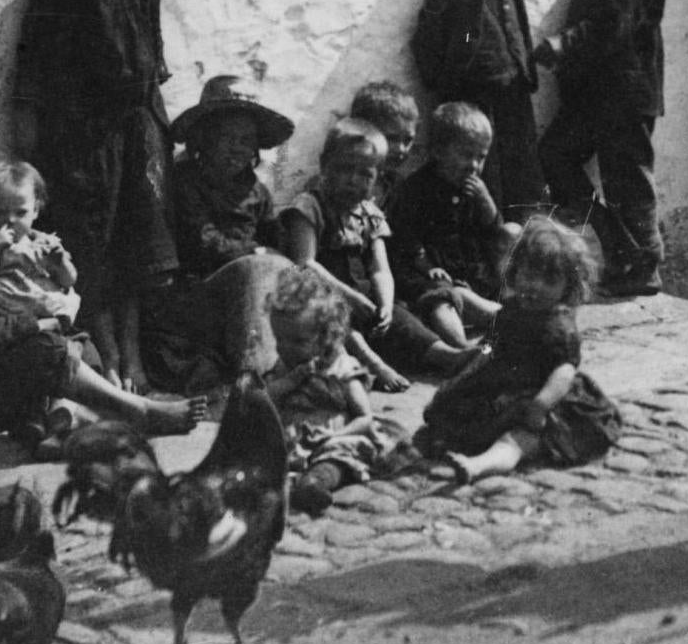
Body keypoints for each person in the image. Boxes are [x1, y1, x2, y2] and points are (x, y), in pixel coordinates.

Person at [0, 147, 200, 445]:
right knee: (43, 349)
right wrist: (33, 324)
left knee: (62, 353)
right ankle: (137, 412)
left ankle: (63, 430)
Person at [12, 0, 178, 391]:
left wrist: (157, 123)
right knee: (91, 245)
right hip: (80, 130)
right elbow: (37, 54)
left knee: (135, 240)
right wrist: (30, 132)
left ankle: (133, 354)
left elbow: (152, 43)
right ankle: (107, 356)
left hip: (136, 126)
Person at [536, 0, 670, 297]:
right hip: (594, 93)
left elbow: (613, 25)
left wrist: (563, 43)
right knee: (554, 155)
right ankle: (617, 242)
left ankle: (645, 262)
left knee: (628, 180)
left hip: (626, 95)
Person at [418, 218, 624, 486]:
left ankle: (479, 465)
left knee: (518, 439)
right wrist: (469, 371)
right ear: (515, 272)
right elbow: (494, 345)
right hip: (505, 385)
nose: (535, 286)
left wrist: (540, 406)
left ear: (568, 286)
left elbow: (563, 371)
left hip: (544, 396)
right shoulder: (512, 309)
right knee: (456, 409)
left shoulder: (557, 326)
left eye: (549, 280)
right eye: (529, 275)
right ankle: (459, 440)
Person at [277, 119, 470, 385]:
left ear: (378, 177)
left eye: (365, 174)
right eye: (345, 169)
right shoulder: (309, 207)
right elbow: (305, 263)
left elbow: (380, 269)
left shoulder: (370, 215)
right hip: (324, 296)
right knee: (336, 319)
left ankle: (449, 356)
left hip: (365, 300)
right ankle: (374, 365)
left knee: (402, 320)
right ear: (324, 165)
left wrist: (386, 305)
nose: (353, 181)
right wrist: (351, 297)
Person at [145, 76, 301, 389]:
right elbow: (203, 241)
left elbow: (277, 243)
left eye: (246, 140)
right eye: (225, 137)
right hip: (199, 294)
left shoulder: (257, 192)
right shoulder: (185, 182)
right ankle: (254, 383)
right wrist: (255, 255)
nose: (237, 148)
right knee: (256, 269)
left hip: (252, 299)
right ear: (202, 138)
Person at [413, 0, 548, 214]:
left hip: (514, 104)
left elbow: (521, 38)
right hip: (475, 107)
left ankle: (523, 241)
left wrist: (525, 73)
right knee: (484, 179)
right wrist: (451, 86)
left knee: (522, 174)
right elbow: (428, 50)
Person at [258, 270, 419, 516]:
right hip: (291, 436)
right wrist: (290, 381)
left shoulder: (342, 369)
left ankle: (315, 483)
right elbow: (265, 400)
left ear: (326, 337)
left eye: (298, 341)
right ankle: (276, 484)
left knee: (338, 455)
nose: (286, 348)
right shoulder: (285, 367)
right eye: (280, 339)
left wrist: (333, 436)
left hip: (333, 435)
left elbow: (364, 418)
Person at [386, 102, 518, 347]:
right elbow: (405, 235)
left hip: (476, 273)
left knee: (512, 232)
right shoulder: (416, 188)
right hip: (439, 275)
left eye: (481, 157)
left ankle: (513, 302)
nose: (474, 165)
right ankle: (466, 345)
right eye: (466, 155)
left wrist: (486, 203)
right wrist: (425, 265)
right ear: (437, 151)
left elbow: (492, 232)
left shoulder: (476, 187)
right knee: (445, 299)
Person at [0, 163, 81, 325]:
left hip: (45, 308)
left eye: (20, 212)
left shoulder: (42, 242)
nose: (10, 219)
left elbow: (69, 281)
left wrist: (60, 263)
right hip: (10, 315)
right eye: (0, 212)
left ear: (36, 210)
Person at [348, 80, 423, 203]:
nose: (401, 149)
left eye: (407, 140)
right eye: (391, 138)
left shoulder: (397, 187)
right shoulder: (338, 183)